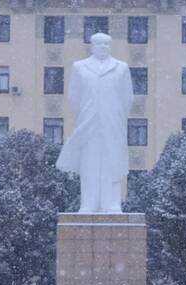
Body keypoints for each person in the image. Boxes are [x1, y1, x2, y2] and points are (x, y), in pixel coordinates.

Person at [55, 32, 134, 213]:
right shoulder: (80, 67)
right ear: (92, 46)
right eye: (99, 43)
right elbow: (74, 98)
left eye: (106, 43)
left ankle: (112, 204)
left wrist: (113, 113)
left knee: (112, 163)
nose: (103, 47)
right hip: (88, 122)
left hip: (113, 123)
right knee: (89, 165)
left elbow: (127, 98)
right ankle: (88, 203)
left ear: (111, 45)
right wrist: (87, 113)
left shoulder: (121, 68)